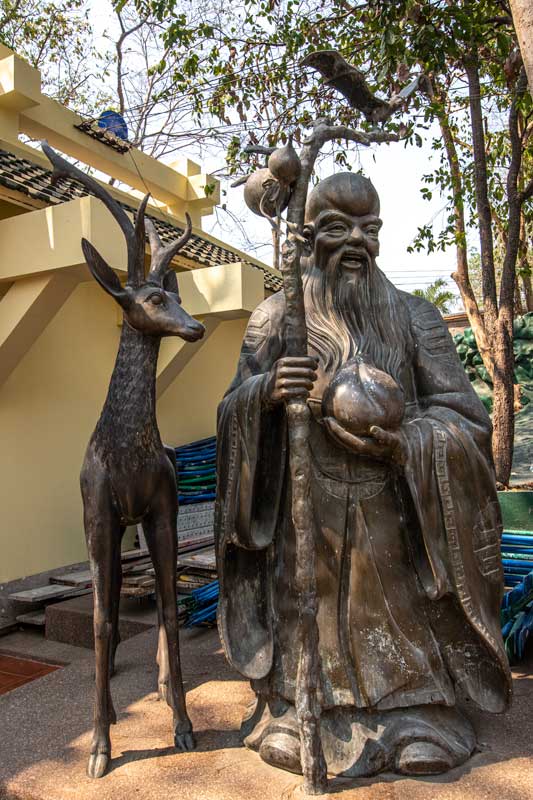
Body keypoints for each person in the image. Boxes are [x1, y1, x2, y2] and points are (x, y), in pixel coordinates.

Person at [215, 172, 511, 778]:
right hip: (308, 505)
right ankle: (304, 711)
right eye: (336, 227)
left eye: (368, 228)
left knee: (395, 613)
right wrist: (265, 392)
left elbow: (465, 417)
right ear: (307, 236)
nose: (355, 241)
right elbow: (230, 409)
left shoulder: (415, 317)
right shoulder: (278, 317)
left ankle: (418, 715)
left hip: (394, 502)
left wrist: (410, 444)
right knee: (312, 613)